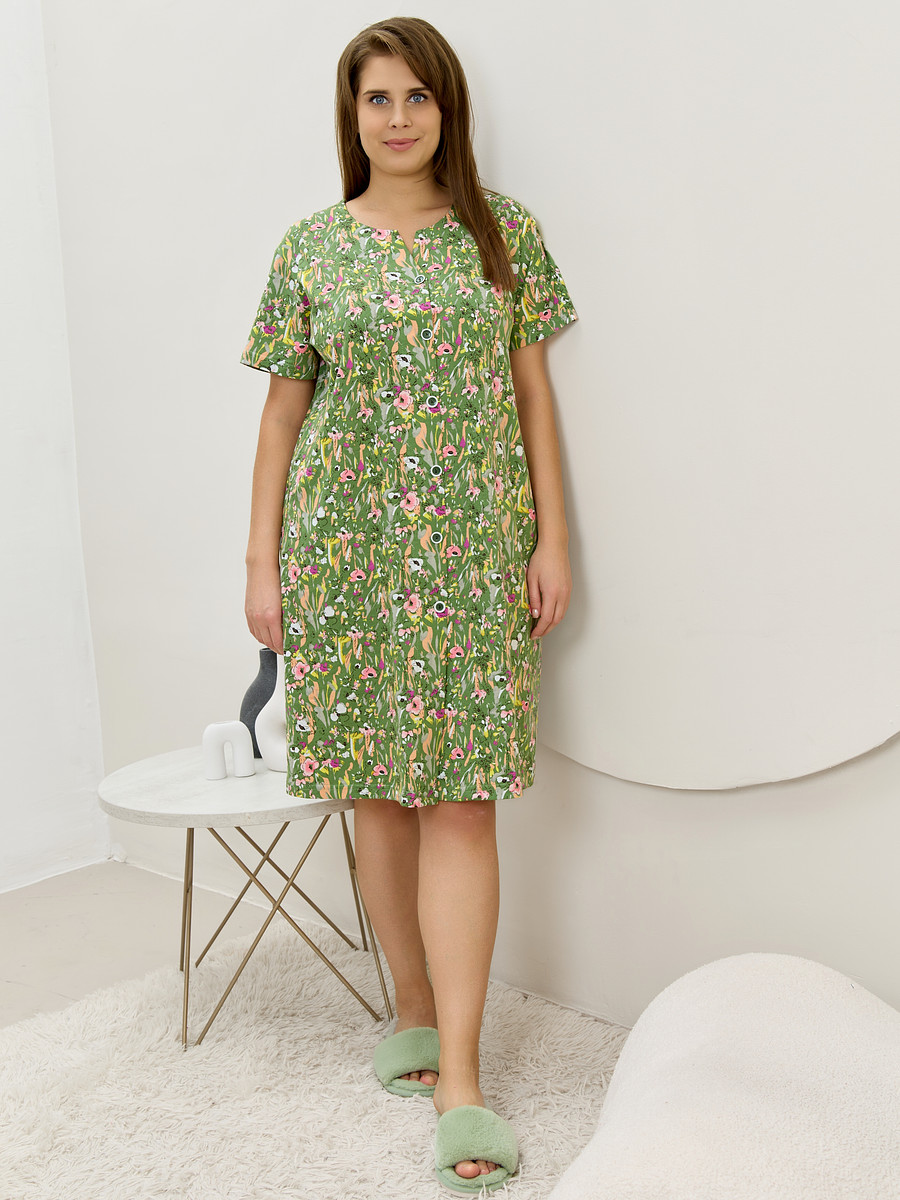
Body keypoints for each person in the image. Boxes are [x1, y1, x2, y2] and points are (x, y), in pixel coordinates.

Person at [241, 16, 577, 1193]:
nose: (397, 118)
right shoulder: (311, 247)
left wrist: (554, 537)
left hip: (474, 552)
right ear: (353, 115)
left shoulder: (502, 234)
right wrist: (261, 564)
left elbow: (533, 396)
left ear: (447, 109)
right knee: (376, 790)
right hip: (344, 553)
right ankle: (413, 1006)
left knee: (464, 801)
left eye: (417, 97)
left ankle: (464, 1081)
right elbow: (282, 415)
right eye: (377, 98)